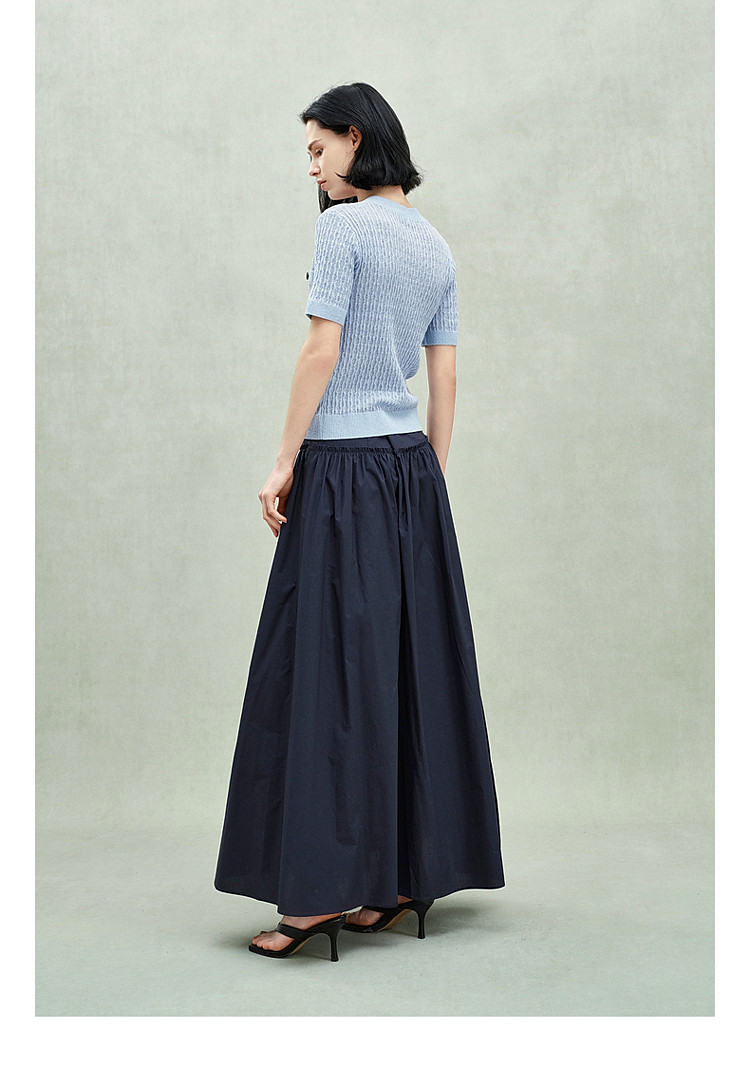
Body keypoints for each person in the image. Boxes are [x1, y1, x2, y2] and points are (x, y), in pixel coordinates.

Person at [214, 82, 505, 961]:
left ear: (354, 137)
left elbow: (322, 348)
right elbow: (443, 375)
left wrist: (283, 460)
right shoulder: (435, 244)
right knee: (408, 668)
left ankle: (315, 897)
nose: (311, 166)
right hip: (410, 470)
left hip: (341, 470)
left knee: (323, 672)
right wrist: (431, 479)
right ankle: (408, 879)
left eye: (317, 149)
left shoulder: (342, 230)